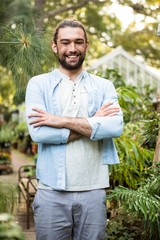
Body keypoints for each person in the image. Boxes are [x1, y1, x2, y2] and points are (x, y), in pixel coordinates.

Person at [25, 18, 123, 240]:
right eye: (65, 42)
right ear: (55, 46)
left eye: (78, 42)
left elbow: (115, 127)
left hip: (93, 191)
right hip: (51, 192)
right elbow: (39, 133)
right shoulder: (39, 84)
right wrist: (93, 122)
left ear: (86, 46)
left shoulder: (103, 86)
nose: (72, 48)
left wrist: (59, 120)